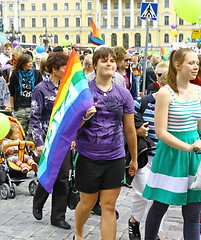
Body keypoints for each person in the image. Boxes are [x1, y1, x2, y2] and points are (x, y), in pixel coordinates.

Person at [74, 46, 138, 240]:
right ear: (95, 65)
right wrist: (84, 117)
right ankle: (78, 232)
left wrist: (133, 158)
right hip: (88, 156)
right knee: (87, 203)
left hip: (115, 156)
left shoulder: (123, 93)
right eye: (103, 60)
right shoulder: (83, 91)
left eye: (111, 60)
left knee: (109, 206)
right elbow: (70, 127)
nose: (109, 63)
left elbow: (129, 128)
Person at [142, 48, 201, 240]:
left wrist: (198, 141)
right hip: (172, 155)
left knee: (193, 213)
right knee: (160, 205)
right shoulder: (165, 93)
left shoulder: (199, 91)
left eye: (197, 63)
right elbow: (161, 131)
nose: (196, 67)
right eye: (191, 63)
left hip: (195, 155)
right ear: (178, 65)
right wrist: (187, 147)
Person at [30, 52, 71, 230]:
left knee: (63, 178)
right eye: (64, 68)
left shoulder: (68, 87)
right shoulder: (41, 88)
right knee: (48, 174)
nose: (66, 71)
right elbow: (35, 117)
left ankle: (58, 216)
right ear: (54, 70)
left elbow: (72, 114)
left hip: (64, 138)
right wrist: (39, 142)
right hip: (47, 139)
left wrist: (74, 137)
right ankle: (38, 202)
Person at [9, 53, 43, 139]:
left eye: (31, 61)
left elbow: (41, 91)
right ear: (23, 63)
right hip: (20, 108)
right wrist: (12, 107)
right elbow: (11, 92)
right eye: (28, 62)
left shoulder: (36, 74)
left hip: (33, 108)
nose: (31, 64)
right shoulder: (16, 74)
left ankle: (31, 151)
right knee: (19, 133)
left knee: (33, 134)